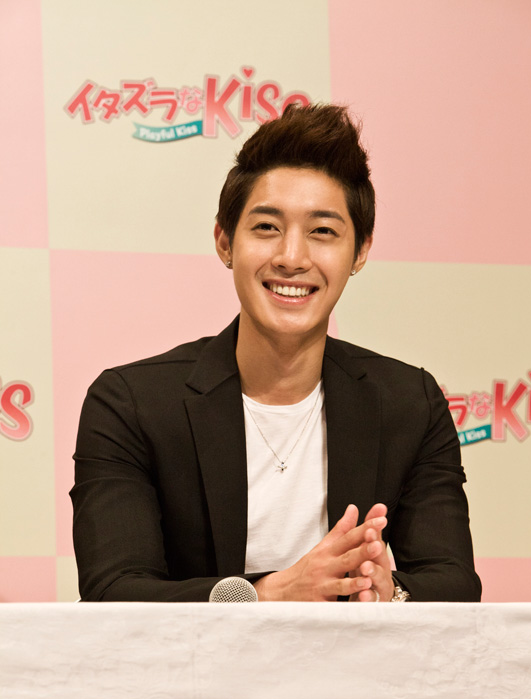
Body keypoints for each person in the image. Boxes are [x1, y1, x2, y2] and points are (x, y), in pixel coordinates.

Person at [71, 104, 481, 603]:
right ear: (225, 241)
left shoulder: (409, 403)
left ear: (360, 251)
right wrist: (265, 595)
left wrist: (387, 591)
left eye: (323, 231)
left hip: (350, 656)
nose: (292, 257)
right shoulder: (131, 404)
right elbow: (113, 592)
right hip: (194, 658)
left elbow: (454, 583)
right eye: (267, 227)